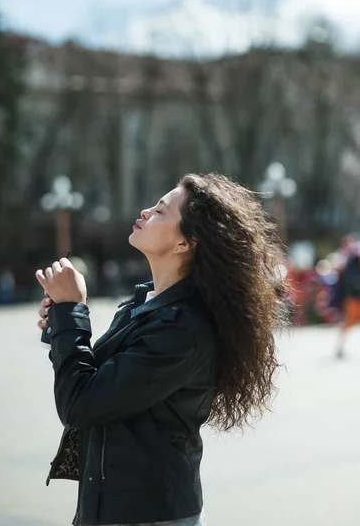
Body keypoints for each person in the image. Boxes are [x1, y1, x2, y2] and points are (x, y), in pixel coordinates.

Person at [35, 173, 286, 526]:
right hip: (111, 507)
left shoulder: (182, 329)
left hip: (149, 514)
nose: (145, 211)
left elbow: (80, 404)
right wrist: (63, 318)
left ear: (185, 242)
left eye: (160, 211)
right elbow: (91, 381)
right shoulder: (146, 304)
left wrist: (71, 312)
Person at [335, 246, 360, 359]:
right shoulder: (351, 267)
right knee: (347, 324)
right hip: (353, 300)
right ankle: (340, 347)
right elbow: (351, 284)